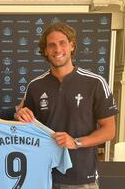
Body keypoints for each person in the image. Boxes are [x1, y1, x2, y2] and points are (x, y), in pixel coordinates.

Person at [15, 21, 119, 189]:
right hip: (43, 175)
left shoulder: (95, 83)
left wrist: (76, 142)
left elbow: (109, 130)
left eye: (63, 43)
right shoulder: (35, 86)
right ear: (46, 51)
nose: (57, 50)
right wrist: (19, 116)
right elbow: (26, 125)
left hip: (81, 177)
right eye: (52, 45)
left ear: (71, 45)